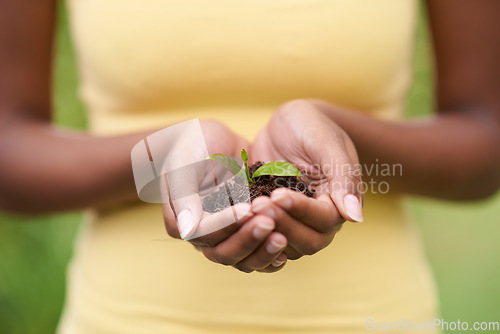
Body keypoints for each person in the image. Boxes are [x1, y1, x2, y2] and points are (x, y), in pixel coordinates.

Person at [1, 0, 499, 333]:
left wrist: (345, 137)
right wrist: (163, 156)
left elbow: (485, 139)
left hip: (373, 317)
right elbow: (10, 152)